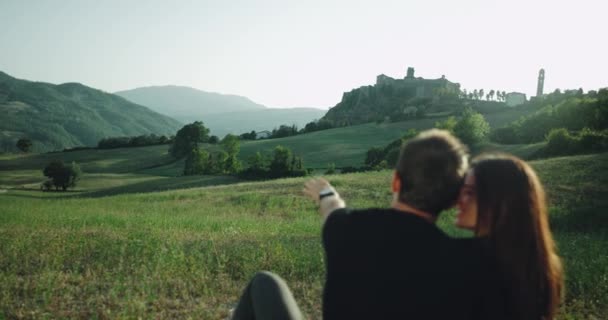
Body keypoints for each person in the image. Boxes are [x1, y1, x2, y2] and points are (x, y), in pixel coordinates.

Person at [231, 129, 499, 319]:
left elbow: (331, 208)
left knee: (264, 283)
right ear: (454, 200)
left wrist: (326, 192)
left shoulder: (347, 228)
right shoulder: (468, 260)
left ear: (396, 181)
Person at [455, 154, 564, 319]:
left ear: (501, 201)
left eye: (469, 192)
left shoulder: (468, 260)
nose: (459, 200)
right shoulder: (543, 265)